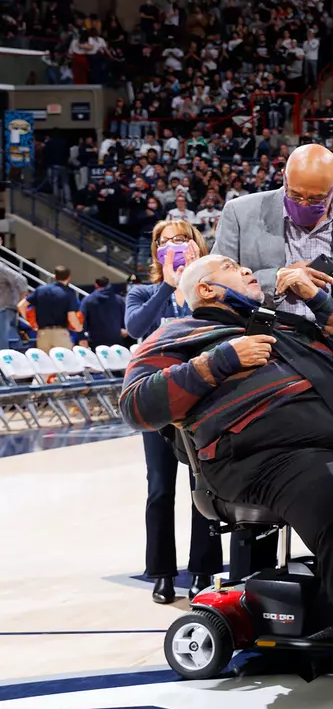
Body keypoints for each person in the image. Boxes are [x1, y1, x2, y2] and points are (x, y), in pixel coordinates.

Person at [118, 253, 333, 705]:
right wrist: (218, 362)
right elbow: (135, 406)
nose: (246, 270)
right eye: (230, 267)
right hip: (264, 457)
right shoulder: (181, 334)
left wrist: (319, 301)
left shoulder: (279, 323)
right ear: (205, 289)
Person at [212, 143, 333, 385]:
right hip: (268, 355)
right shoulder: (240, 213)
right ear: (284, 178)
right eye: (295, 195)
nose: (304, 204)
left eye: (315, 199)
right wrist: (279, 277)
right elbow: (216, 285)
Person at [125, 221, 221, 603]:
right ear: (156, 251)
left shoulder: (206, 291)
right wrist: (167, 284)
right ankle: (162, 573)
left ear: (196, 245)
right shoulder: (144, 291)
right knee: (160, 489)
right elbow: (134, 327)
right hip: (156, 401)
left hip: (202, 400)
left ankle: (204, 570)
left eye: (181, 240)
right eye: (165, 242)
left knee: (204, 486)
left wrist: (192, 283)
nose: (174, 247)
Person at [22, 267, 77, 350]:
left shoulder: (40, 290)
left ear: (54, 277)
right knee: (64, 362)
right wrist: (79, 328)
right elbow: (71, 316)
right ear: (69, 277)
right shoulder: (69, 292)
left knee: (45, 362)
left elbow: (21, 305)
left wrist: (30, 322)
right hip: (61, 333)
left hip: (43, 333)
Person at [79, 275, 125, 348]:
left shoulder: (88, 300)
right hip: (116, 339)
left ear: (96, 284)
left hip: (95, 340)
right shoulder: (119, 300)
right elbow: (125, 317)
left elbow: (81, 320)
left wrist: (81, 337)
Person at [0, 259, 27, 350]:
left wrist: (21, 301)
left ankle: (3, 364)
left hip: (4, 309)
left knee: (1, 343)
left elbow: (21, 280)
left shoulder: (1, 267)